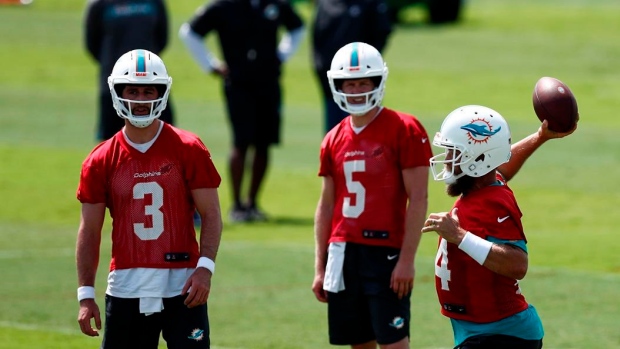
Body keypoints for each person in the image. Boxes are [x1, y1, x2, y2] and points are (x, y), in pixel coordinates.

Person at [75, 49, 223, 349]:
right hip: (126, 286)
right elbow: (89, 231)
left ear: (162, 93)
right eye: (132, 91)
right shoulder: (101, 159)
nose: (141, 100)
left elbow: (212, 214)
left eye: (148, 91)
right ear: (118, 93)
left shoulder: (188, 148)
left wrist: (205, 269)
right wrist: (85, 294)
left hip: (182, 283)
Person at [421, 105, 577, 349]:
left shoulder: (492, 203)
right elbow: (501, 165)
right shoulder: (484, 183)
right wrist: (539, 137)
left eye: (454, 153)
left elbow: (518, 264)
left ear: (477, 160)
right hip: (480, 330)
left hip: (501, 335)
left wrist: (459, 236)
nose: (447, 160)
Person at [312, 42, 432, 349]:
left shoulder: (405, 128)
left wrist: (406, 260)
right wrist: (320, 265)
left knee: (393, 343)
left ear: (378, 82)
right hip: (343, 252)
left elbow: (418, 198)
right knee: (358, 342)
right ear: (337, 85)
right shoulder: (333, 136)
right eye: (349, 84)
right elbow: (326, 205)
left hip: (384, 252)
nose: (356, 90)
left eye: (363, 82)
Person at [178, 0, 305, 223]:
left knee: (264, 142)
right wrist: (211, 65)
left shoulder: (274, 4)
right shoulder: (223, 6)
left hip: (268, 80)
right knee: (241, 141)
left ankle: (253, 203)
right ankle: (237, 205)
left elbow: (297, 26)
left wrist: (282, 55)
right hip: (238, 83)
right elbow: (189, 32)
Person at [84, 0, 175, 141]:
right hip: (114, 87)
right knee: (111, 146)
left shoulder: (155, 3)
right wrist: (120, 69)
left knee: (166, 143)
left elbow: (162, 39)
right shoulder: (99, 4)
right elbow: (92, 44)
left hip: (153, 86)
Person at [312, 0, 393, 134]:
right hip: (337, 82)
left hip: (366, 79)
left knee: (372, 136)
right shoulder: (325, 4)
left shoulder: (371, 4)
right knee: (336, 135)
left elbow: (381, 33)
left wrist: (366, 66)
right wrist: (323, 70)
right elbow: (318, 38)